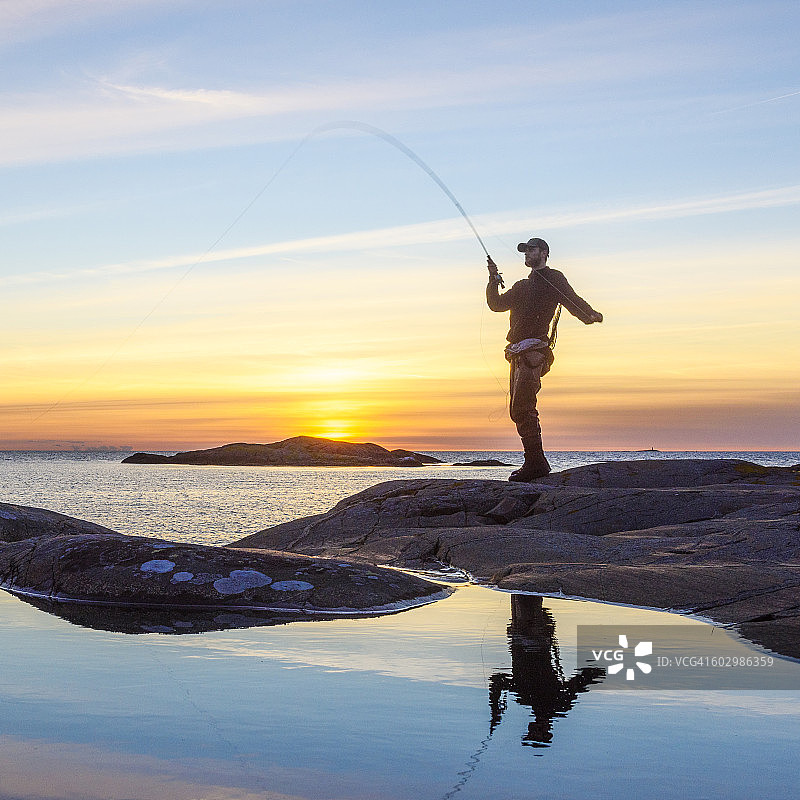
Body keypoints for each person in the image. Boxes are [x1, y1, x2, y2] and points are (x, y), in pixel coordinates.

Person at [486, 237, 603, 481]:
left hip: (534, 352)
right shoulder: (520, 286)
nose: (527, 254)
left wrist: (589, 315)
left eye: (532, 249)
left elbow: (571, 300)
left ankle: (536, 464)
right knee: (517, 411)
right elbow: (496, 305)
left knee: (523, 407)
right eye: (525, 251)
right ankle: (535, 462)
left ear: (545, 253)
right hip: (516, 354)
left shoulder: (553, 278)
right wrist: (492, 280)